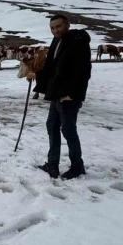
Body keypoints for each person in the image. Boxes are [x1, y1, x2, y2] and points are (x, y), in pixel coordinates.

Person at [29, 14, 92, 180]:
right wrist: (36, 74)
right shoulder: (58, 41)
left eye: (58, 26)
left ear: (67, 25)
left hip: (69, 96)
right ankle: (52, 164)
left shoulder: (78, 42)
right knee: (52, 126)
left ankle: (77, 166)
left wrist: (72, 94)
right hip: (57, 93)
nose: (55, 30)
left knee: (68, 130)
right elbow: (53, 68)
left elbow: (83, 71)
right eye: (52, 28)